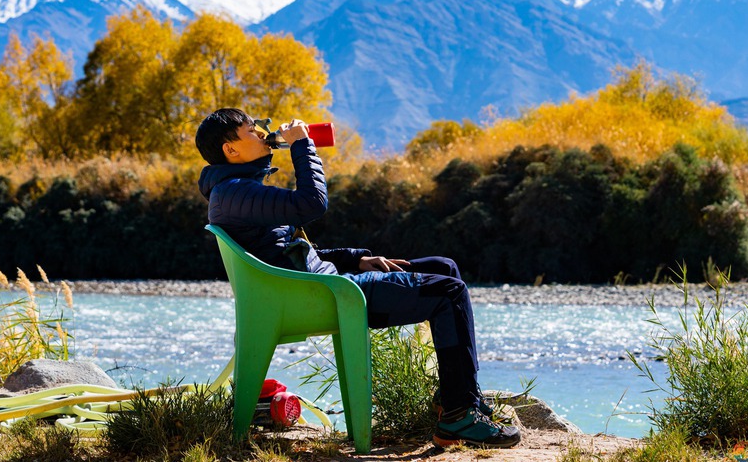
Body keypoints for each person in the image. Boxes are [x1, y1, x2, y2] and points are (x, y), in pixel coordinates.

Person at [195, 108, 520, 449]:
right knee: (449, 293)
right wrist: (303, 145)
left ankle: (458, 397)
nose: (263, 131)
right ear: (231, 150)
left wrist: (358, 259)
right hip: (322, 296)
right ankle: (458, 415)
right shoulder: (233, 193)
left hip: (319, 284)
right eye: (251, 130)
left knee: (444, 267)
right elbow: (311, 204)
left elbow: (294, 251)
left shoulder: (238, 190)